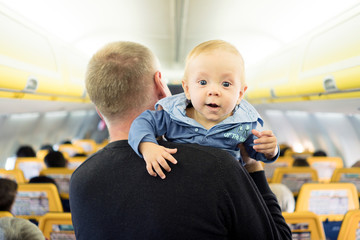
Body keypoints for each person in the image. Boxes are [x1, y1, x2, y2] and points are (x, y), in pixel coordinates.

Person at [69, 41, 291, 239]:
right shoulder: (221, 167)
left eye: (225, 84)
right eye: (203, 82)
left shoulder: (80, 181)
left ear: (99, 109)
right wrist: (253, 167)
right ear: (160, 85)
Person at [129, 40, 279, 179]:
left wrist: (270, 150)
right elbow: (142, 123)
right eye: (203, 82)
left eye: (226, 84)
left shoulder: (245, 124)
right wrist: (148, 146)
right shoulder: (171, 116)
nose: (213, 91)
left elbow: (256, 153)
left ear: (240, 94)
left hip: (226, 190)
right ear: (187, 89)